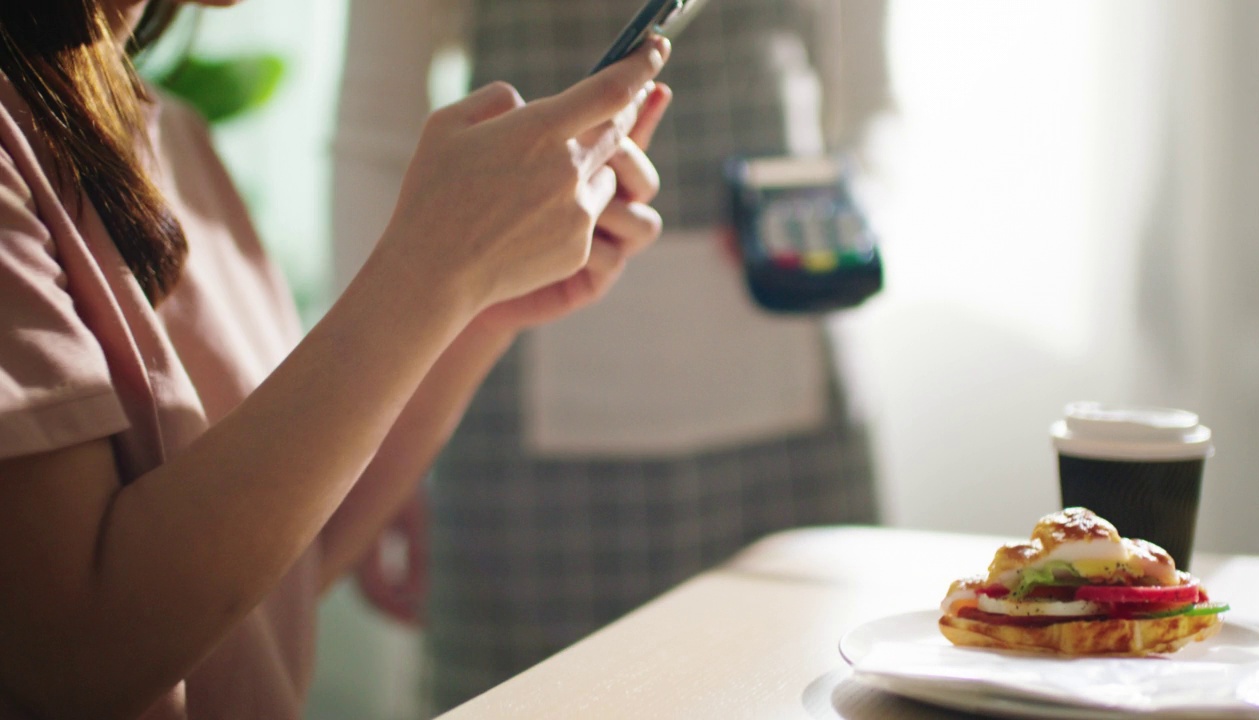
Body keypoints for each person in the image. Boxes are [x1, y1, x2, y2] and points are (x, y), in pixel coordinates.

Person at [0, 0, 673, 715]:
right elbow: (83, 654)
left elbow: (268, 574)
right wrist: (430, 272)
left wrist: (479, 307)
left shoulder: (176, 140)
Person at [336, 0, 891, 712]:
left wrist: (843, 215)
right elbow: (375, 136)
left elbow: (871, 103)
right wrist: (382, 446)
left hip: (789, 387)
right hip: (515, 412)